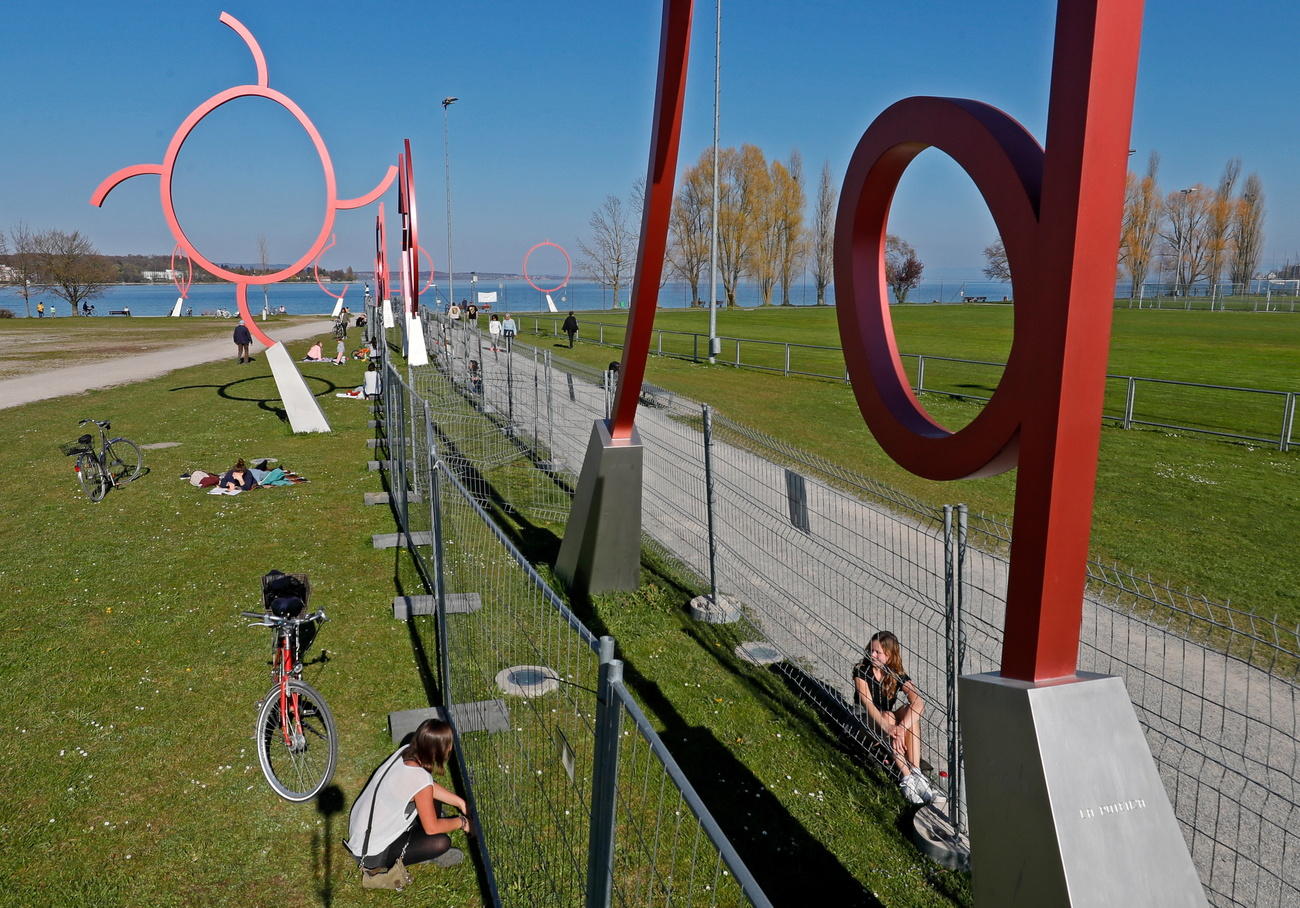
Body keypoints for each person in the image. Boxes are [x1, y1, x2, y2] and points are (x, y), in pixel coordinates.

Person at [345, 719, 470, 885]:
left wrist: (460, 802)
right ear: (437, 749)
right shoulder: (419, 780)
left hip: (362, 833)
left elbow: (427, 786)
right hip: (371, 854)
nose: (450, 748)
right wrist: (462, 822)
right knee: (441, 842)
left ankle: (420, 842)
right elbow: (432, 828)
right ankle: (425, 855)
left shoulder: (406, 752)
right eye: (449, 744)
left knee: (431, 798)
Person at [853, 631, 933, 804]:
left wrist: (901, 728)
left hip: (889, 726)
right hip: (864, 722)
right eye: (871, 650)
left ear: (889, 656)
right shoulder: (861, 670)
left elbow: (919, 702)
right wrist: (889, 727)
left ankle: (916, 773)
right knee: (889, 715)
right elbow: (868, 704)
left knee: (908, 711)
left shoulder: (896, 673)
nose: (872, 654)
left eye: (877, 652)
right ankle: (907, 779)